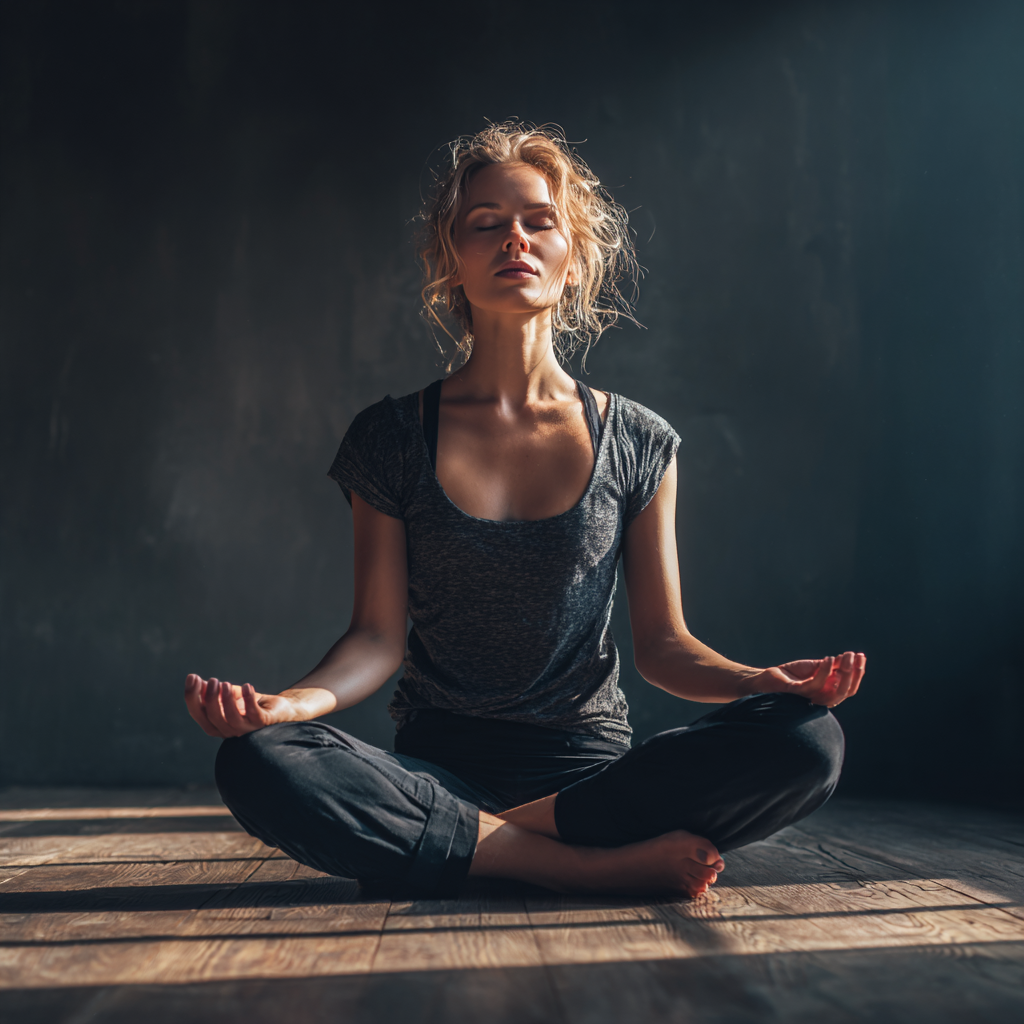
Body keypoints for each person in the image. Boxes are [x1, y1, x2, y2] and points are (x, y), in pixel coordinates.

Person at [184, 123, 865, 900]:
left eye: (539, 220)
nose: (515, 235)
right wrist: (286, 705)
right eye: (486, 222)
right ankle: (587, 866)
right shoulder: (389, 437)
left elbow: (665, 646)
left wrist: (758, 682)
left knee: (809, 742)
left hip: (587, 774)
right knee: (258, 759)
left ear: (573, 256)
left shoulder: (638, 440)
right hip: (435, 766)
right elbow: (374, 637)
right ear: (453, 261)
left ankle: (476, 842)